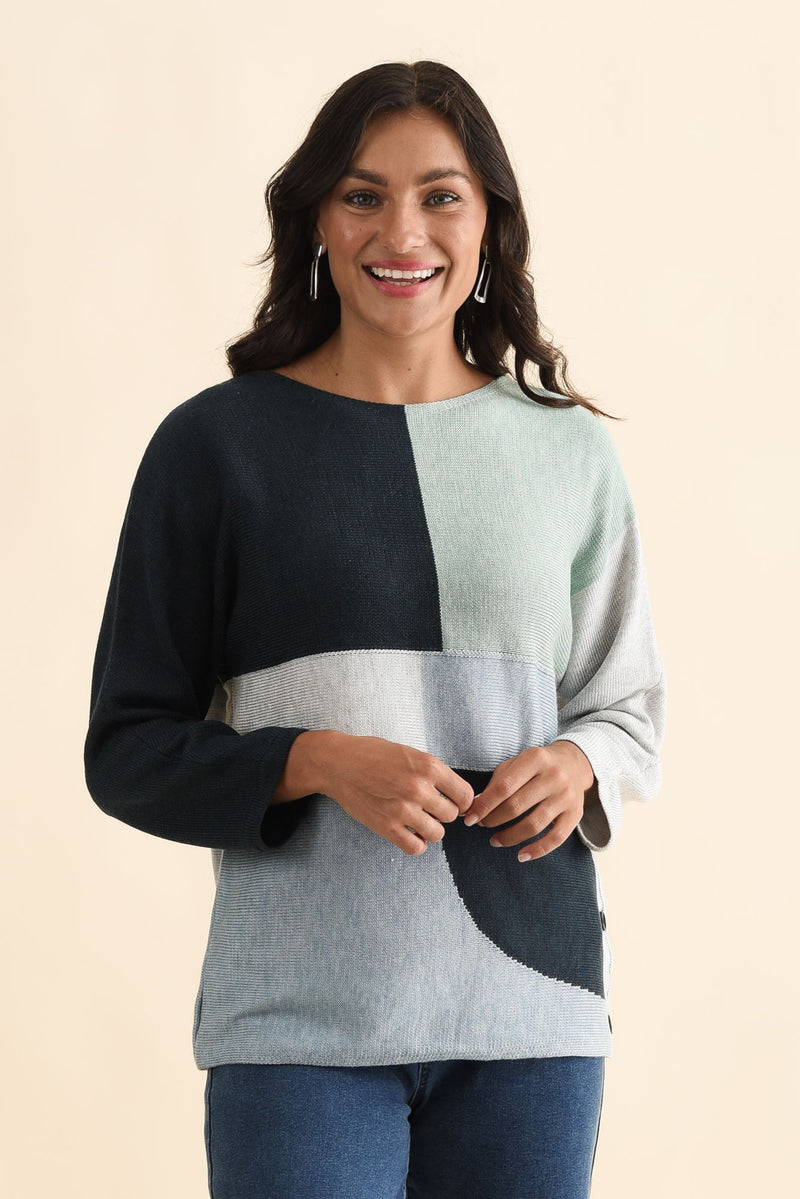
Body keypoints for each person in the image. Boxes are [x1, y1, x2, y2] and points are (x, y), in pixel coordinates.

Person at [84, 60, 666, 1199]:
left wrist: (577, 760)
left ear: (489, 220)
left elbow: (627, 703)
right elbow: (128, 745)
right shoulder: (217, 447)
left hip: (531, 1006)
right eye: (362, 195)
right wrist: (309, 758)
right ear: (316, 218)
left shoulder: (566, 450)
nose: (402, 232)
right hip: (298, 1016)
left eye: (441, 195)